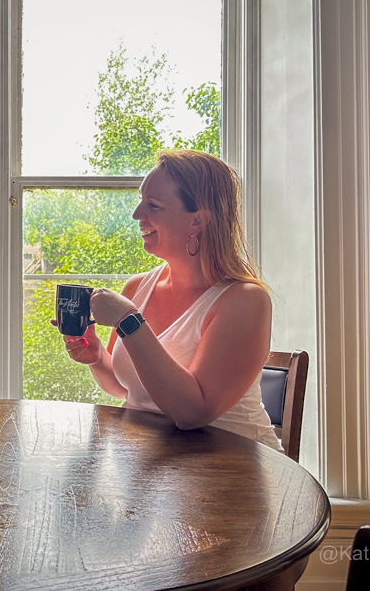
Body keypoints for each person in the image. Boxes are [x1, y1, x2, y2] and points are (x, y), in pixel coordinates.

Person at [61, 149, 282, 451]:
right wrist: (97, 357)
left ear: (197, 221)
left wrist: (129, 322)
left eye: (153, 205)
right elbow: (127, 388)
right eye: (141, 201)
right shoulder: (137, 287)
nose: (137, 215)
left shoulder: (245, 301)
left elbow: (192, 414)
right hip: (157, 463)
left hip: (233, 466)